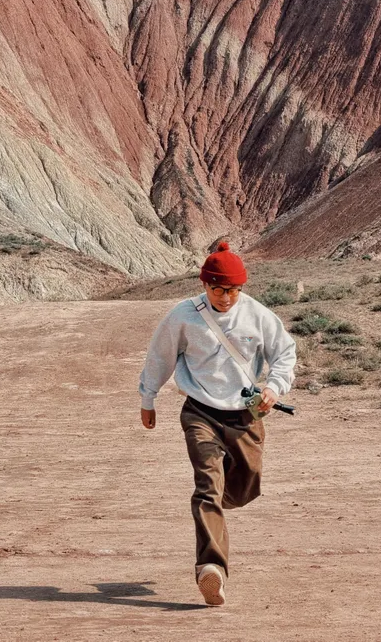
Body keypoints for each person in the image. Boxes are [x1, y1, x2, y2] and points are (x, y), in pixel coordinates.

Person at [139, 242, 296, 606]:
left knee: (244, 488)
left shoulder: (257, 315)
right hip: (200, 412)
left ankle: (218, 504)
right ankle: (211, 568)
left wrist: (273, 388)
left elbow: (285, 353)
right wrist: (148, 399)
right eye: (218, 289)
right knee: (207, 488)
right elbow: (159, 357)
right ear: (205, 284)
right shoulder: (183, 316)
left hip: (246, 414)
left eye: (233, 290)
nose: (226, 298)